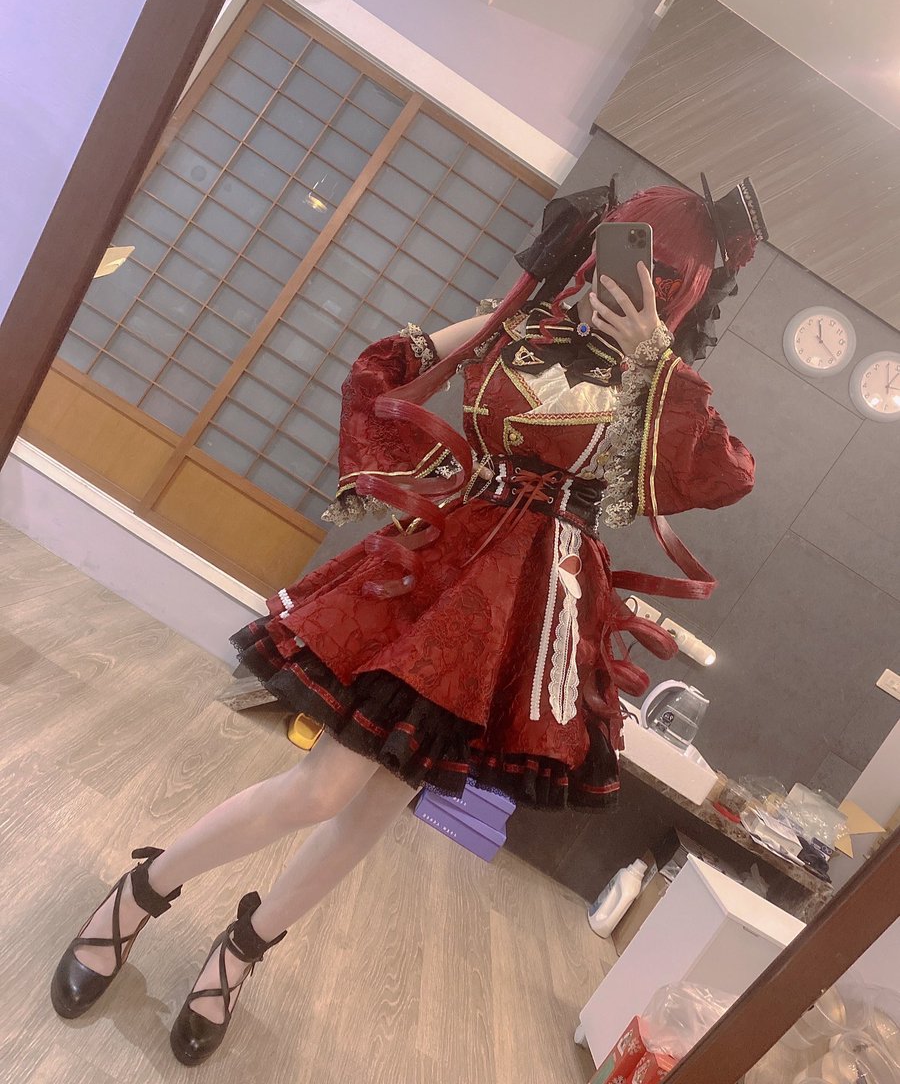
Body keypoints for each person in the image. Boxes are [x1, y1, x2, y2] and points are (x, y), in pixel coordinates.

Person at [51, 175, 768, 1066]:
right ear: (601, 244)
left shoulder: (658, 386)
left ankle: (241, 951)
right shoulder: (518, 326)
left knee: (382, 802)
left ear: (686, 298)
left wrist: (655, 360)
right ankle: (141, 891)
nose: (639, 284)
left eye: (667, 280)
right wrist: (415, 476)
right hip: (448, 567)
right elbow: (384, 367)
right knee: (324, 789)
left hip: (531, 607)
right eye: (634, 256)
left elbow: (728, 475)